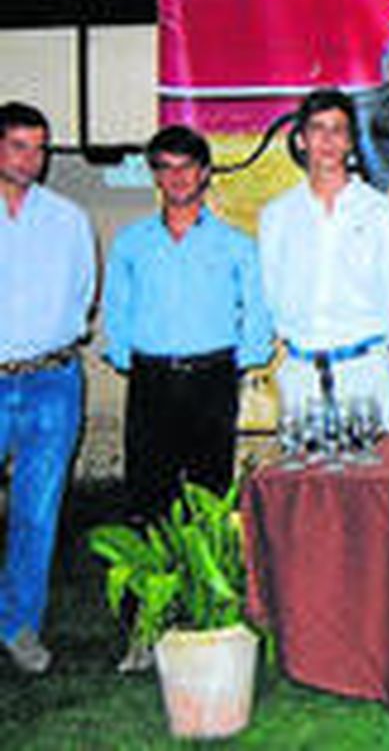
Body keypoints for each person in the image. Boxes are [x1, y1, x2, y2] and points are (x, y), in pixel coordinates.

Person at [103, 125, 272, 523]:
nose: (177, 177)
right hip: (151, 380)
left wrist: (243, 359)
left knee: (210, 490)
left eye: (188, 167)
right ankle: (152, 582)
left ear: (205, 173)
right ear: (155, 175)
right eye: (166, 167)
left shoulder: (237, 244)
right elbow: (117, 306)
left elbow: (258, 308)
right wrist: (127, 357)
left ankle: (205, 584)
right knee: (148, 492)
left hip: (212, 379)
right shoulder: (132, 243)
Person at [0, 102, 94, 674]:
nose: (31, 159)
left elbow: (82, 293)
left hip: (53, 382)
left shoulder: (68, 219)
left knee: (37, 510)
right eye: (18, 146)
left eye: (39, 148)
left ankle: (18, 624)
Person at [258, 89, 389, 430]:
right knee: (306, 479)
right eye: (317, 129)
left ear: (352, 142)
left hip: (364, 369)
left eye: (338, 129)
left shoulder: (379, 211)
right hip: (301, 372)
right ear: (300, 140)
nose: (327, 140)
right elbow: (271, 289)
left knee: (370, 479)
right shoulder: (278, 215)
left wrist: (365, 345)